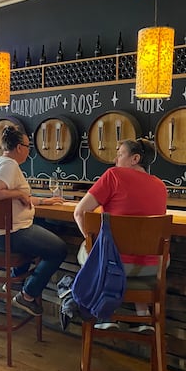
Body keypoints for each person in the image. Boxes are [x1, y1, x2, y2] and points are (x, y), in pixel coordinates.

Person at [73, 138, 167, 333]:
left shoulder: (113, 176)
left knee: (92, 251)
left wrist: (92, 244)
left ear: (135, 158)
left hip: (115, 268)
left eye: (120, 153)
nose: (116, 158)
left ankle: (105, 313)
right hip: (152, 270)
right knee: (124, 253)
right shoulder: (160, 185)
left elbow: (79, 212)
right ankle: (143, 316)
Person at [0, 125, 68, 316]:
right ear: (19, 147)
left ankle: (14, 283)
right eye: (28, 146)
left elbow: (16, 197)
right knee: (59, 249)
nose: (29, 150)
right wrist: (19, 193)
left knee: (36, 234)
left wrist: (43, 201)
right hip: (4, 234)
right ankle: (26, 295)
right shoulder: (9, 165)